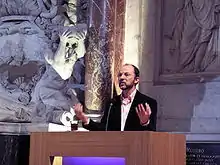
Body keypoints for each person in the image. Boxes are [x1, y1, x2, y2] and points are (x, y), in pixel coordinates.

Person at [74, 64, 157, 131]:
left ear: (136, 80)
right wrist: (84, 119)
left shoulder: (147, 103)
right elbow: (104, 129)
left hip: (136, 148)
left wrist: (145, 122)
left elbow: (152, 132)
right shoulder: (112, 103)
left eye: (126, 75)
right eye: (120, 75)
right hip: (115, 148)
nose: (122, 78)